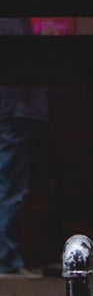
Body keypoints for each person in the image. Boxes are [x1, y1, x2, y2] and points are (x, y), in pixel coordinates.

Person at [0, 85, 48, 279]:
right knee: (11, 189)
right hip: (14, 111)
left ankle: (8, 259)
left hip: (13, 111)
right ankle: (7, 261)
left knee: (10, 187)